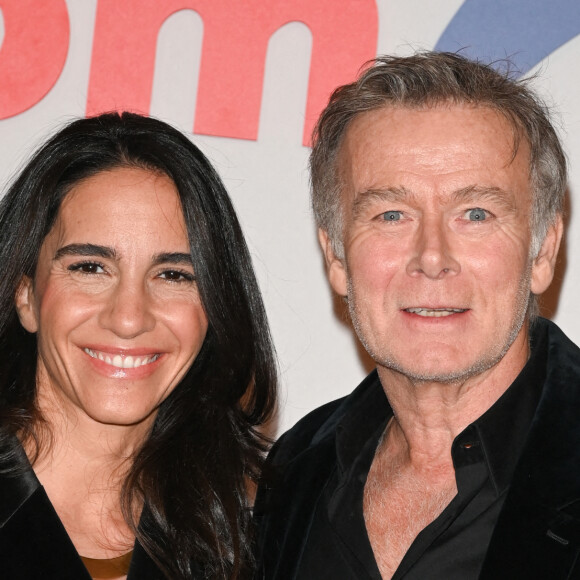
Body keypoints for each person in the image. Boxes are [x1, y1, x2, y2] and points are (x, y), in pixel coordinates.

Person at [254, 52, 580, 579]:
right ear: (336, 257)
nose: (432, 257)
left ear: (542, 251)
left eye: (475, 213)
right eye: (391, 214)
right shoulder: (296, 471)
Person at [0, 112, 277, 580]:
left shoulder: (244, 549)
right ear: (25, 295)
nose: (129, 318)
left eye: (172, 275)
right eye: (89, 267)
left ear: (214, 310)